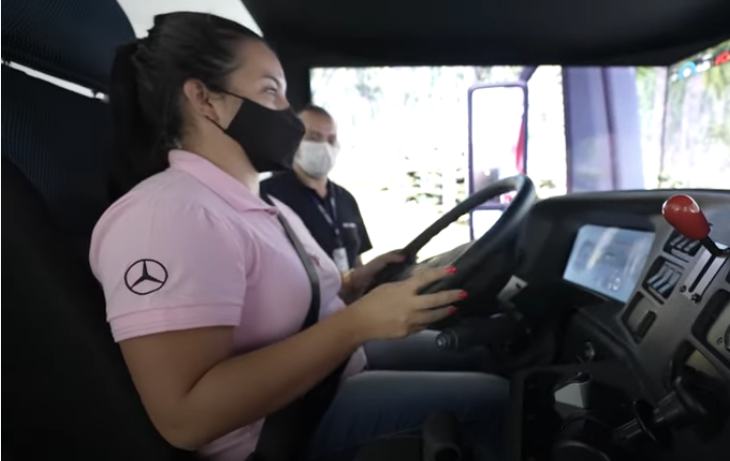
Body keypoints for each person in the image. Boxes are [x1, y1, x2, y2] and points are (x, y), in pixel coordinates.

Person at [91, 12, 506, 461]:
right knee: (495, 398)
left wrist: (351, 287)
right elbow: (186, 418)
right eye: (270, 91)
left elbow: (276, 304)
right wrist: (357, 322)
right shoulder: (168, 217)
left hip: (323, 382)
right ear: (204, 99)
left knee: (485, 352)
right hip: (278, 430)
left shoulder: (255, 203)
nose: (286, 114)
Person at [260, 106, 371, 273]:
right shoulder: (268, 196)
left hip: (352, 298)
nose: (324, 146)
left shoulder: (345, 199)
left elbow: (356, 259)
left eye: (331, 139)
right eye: (314, 137)